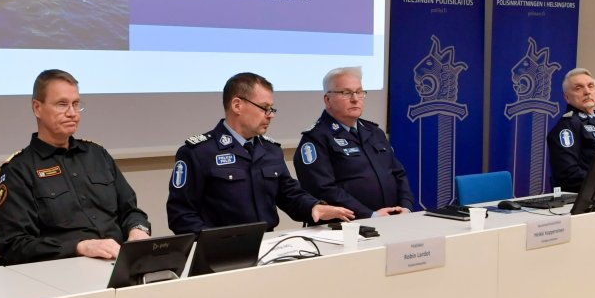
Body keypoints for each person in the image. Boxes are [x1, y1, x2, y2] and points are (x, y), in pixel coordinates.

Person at [0, 70, 151, 266]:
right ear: (37, 108)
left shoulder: (97, 154)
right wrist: (78, 247)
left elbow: (131, 210)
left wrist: (138, 230)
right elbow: (15, 245)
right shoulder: (19, 169)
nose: (72, 113)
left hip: (118, 263)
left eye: (76, 104)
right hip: (62, 268)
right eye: (62, 104)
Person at [167, 72, 354, 234]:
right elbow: (181, 214)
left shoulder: (270, 150)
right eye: (264, 108)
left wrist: (314, 207)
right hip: (220, 253)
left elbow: (289, 194)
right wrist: (213, 243)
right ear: (237, 105)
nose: (271, 115)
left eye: (271, 109)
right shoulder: (199, 152)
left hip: (267, 245)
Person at [294, 66, 415, 217]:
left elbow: (398, 173)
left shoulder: (374, 132)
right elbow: (322, 189)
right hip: (346, 225)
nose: (355, 99)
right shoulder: (316, 138)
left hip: (391, 220)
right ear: (327, 100)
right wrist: (370, 215)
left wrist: (405, 207)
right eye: (346, 93)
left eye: (359, 92)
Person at [547, 67, 595, 192]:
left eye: (591, 86)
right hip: (582, 196)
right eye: (578, 88)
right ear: (566, 97)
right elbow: (568, 174)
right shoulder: (567, 127)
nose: (587, 92)